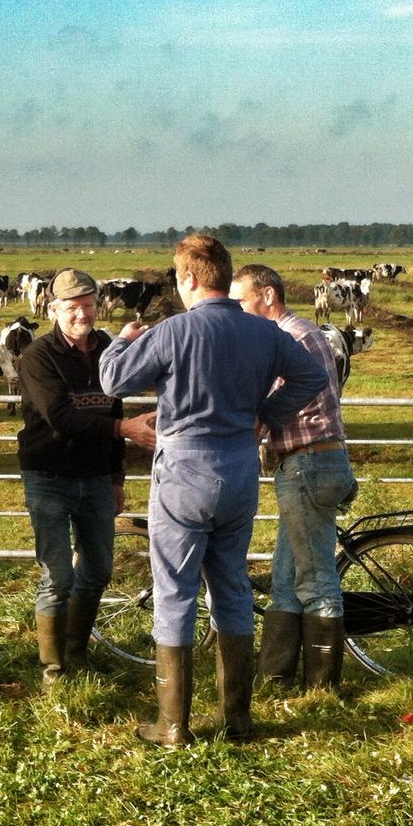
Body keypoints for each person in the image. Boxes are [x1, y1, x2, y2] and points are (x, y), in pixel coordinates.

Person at [98, 234, 327, 746]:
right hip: (240, 469)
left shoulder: (173, 331)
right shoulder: (263, 333)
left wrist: (122, 338)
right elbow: (312, 375)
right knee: (233, 586)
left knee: (175, 590)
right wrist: (267, 416)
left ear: (189, 279)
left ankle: (173, 724)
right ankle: (238, 719)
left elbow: (113, 381)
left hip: (183, 471)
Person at [15, 268, 156, 686]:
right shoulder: (37, 357)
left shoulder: (107, 349)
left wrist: (117, 478)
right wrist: (124, 430)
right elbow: (60, 417)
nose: (83, 314)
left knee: (97, 569)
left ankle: (77, 652)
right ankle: (54, 667)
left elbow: (113, 407)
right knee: (58, 574)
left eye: (90, 305)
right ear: (54, 308)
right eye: (73, 307)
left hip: (96, 477)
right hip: (49, 475)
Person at [230, 264, 357, 691]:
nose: (239, 311)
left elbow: (268, 403)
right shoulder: (301, 332)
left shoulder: (291, 338)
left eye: (242, 301)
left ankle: (323, 686)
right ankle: (275, 675)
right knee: (286, 577)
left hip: (308, 464)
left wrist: (248, 426)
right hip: (309, 463)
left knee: (317, 579)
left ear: (267, 296)